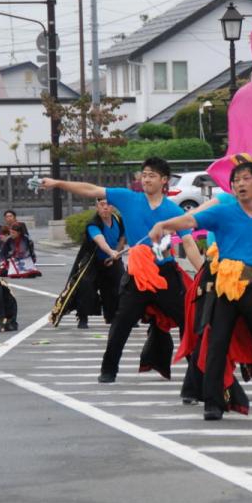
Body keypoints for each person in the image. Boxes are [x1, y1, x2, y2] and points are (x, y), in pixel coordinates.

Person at [150, 161, 252, 421]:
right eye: (236, 181)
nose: (240, 184)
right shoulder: (224, 212)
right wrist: (163, 224)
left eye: (245, 179)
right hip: (225, 291)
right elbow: (190, 218)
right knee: (217, 344)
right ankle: (213, 402)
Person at [40, 156, 203, 384]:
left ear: (164, 180)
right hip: (137, 276)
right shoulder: (128, 199)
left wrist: (204, 273)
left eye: (152, 175)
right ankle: (108, 371)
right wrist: (58, 183)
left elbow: (188, 243)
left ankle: (198, 377)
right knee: (121, 322)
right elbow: (90, 189)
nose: (146, 179)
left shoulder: (172, 210)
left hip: (165, 275)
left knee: (188, 322)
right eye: (143, 174)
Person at [51, 198, 126, 329]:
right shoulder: (93, 224)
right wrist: (110, 252)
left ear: (113, 207)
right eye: (102, 205)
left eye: (108, 205)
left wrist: (115, 254)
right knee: (85, 285)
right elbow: (100, 240)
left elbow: (122, 238)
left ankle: (116, 316)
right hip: (93, 259)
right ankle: (82, 317)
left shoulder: (118, 220)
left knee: (122, 284)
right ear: (97, 207)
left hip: (113, 258)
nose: (105, 208)